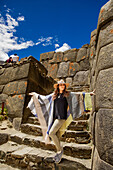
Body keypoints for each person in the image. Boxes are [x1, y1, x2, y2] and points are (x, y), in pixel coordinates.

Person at [27, 79, 95, 164]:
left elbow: (78, 95)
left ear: (65, 86)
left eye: (63, 85)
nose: (62, 86)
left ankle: (60, 151)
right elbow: (44, 98)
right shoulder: (54, 95)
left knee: (51, 133)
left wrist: (89, 94)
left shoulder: (67, 94)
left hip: (61, 118)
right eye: (60, 85)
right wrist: (35, 95)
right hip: (54, 117)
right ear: (58, 86)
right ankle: (58, 153)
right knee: (57, 135)